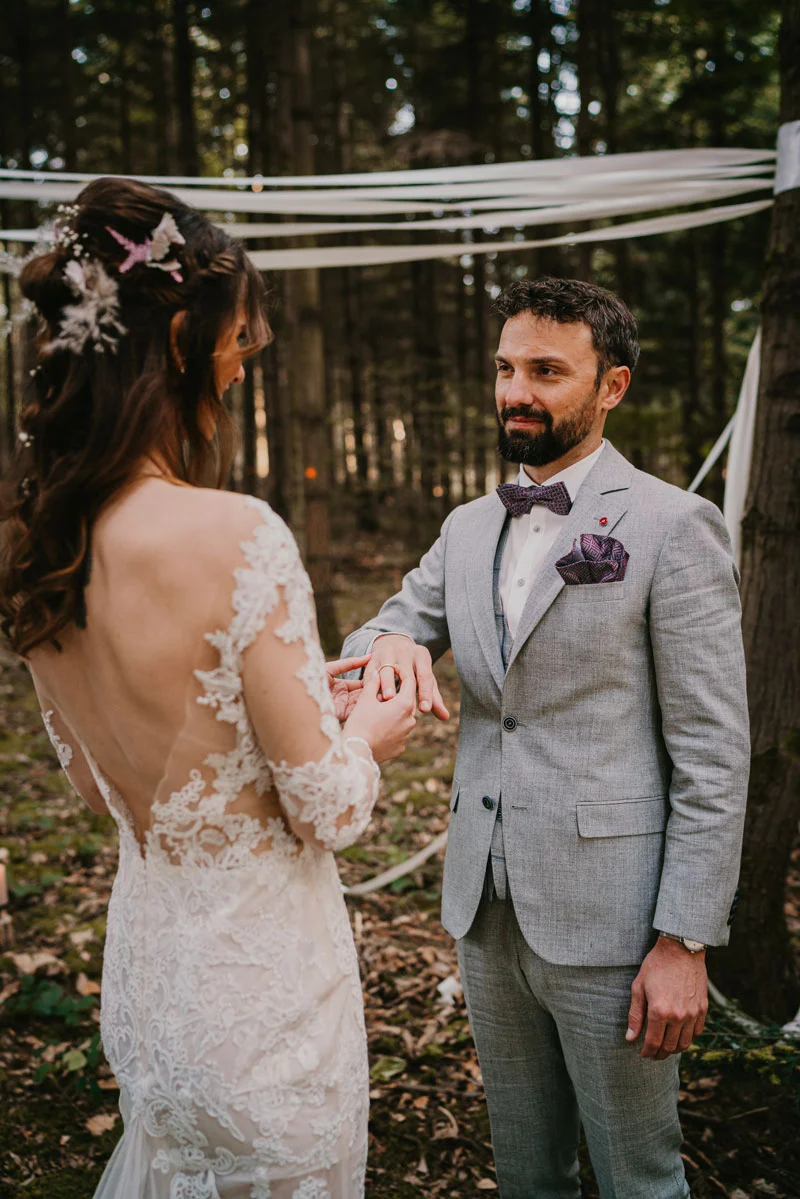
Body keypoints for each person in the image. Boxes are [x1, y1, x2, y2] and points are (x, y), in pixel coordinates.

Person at [0, 177, 417, 1199]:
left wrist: (292, 696)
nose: (242, 365)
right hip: (262, 993)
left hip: (152, 984)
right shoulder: (236, 534)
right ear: (181, 338)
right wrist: (370, 724)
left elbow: (111, 783)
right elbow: (327, 804)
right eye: (237, 340)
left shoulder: (31, 544)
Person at [343, 277, 750, 1198]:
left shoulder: (674, 526)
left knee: (639, 1173)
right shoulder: (466, 524)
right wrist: (394, 643)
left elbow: (715, 753)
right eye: (505, 367)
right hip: (483, 911)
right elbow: (376, 632)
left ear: (612, 386)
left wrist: (684, 940)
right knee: (527, 1170)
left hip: (616, 922)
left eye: (545, 371)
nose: (515, 390)